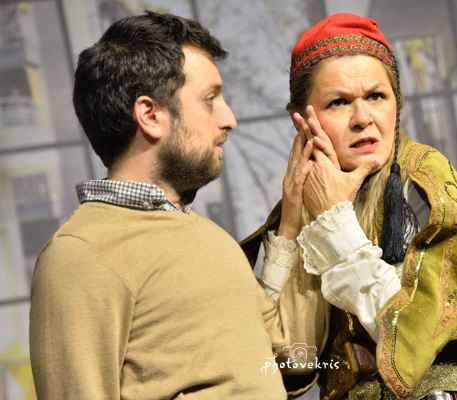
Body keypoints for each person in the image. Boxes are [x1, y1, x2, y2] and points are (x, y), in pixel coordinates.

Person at [29, 11, 325, 399]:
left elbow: (288, 357)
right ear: (150, 115)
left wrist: (294, 222)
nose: (229, 119)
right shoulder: (79, 255)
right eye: (210, 99)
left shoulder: (210, 238)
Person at [242, 13, 457, 400]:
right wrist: (293, 223)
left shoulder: (423, 175)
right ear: (302, 122)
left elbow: (410, 335)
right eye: (339, 102)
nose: (363, 118)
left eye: (377, 97)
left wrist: (335, 222)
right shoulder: (308, 209)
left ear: (397, 103)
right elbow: (293, 362)